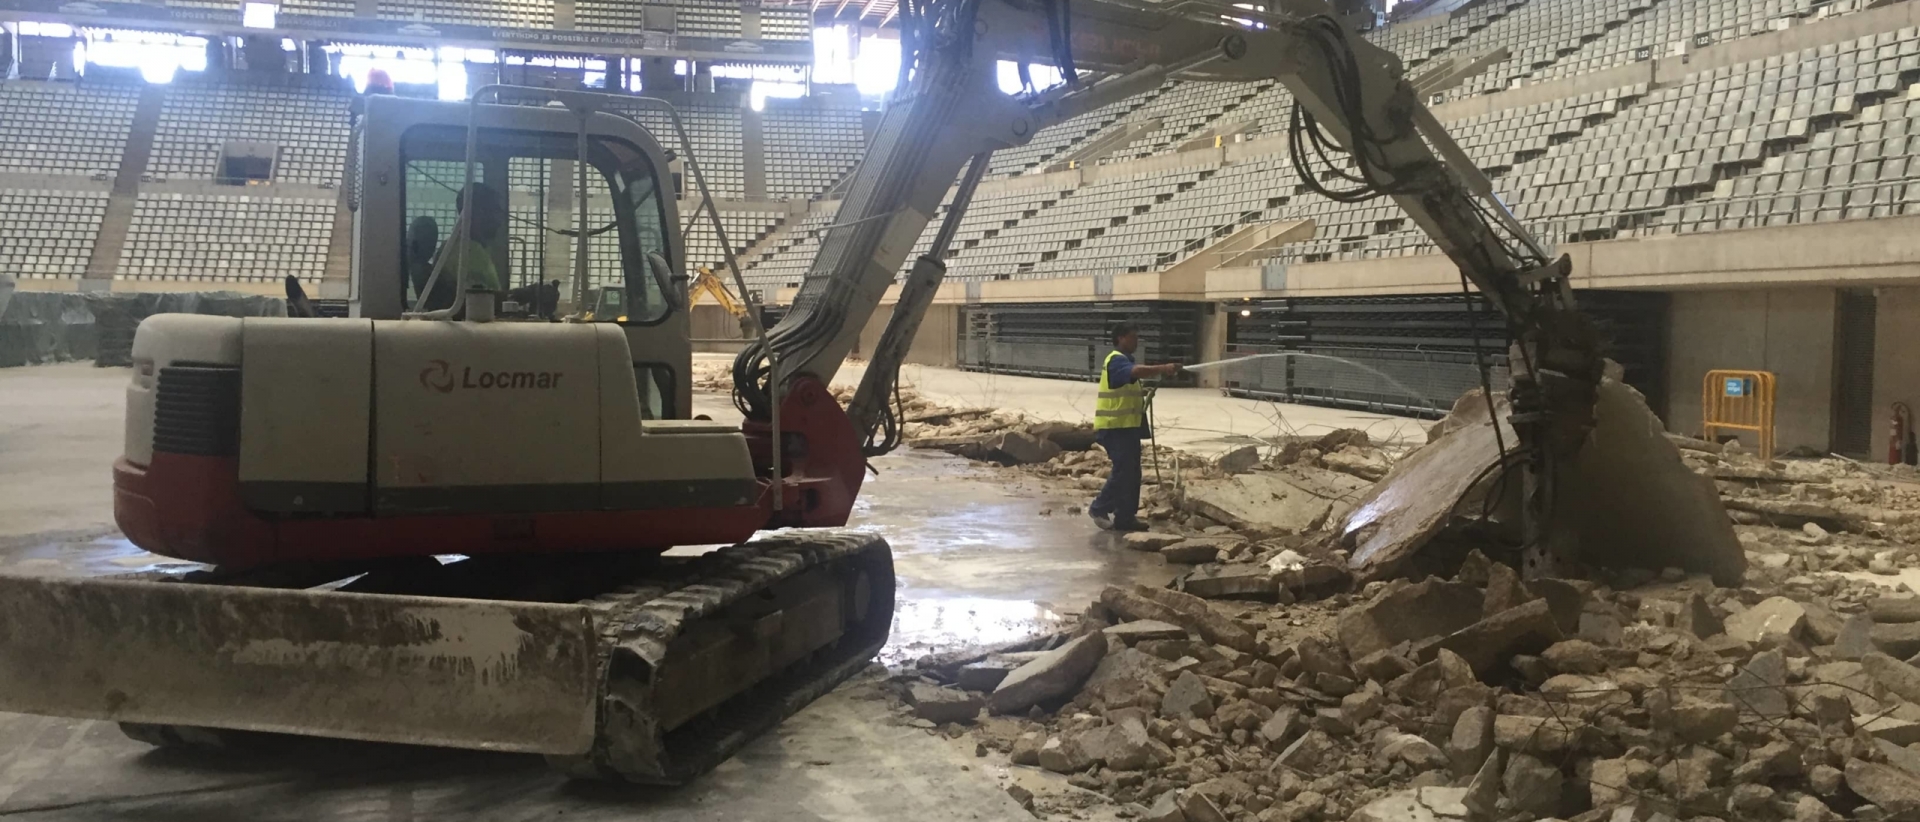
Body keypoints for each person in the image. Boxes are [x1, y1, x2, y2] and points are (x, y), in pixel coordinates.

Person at [1089, 321, 1183, 532]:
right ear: (1120, 338)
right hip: (1114, 428)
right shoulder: (1115, 361)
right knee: (1123, 471)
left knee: (1133, 473)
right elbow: (1137, 371)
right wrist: (1163, 368)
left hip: (1127, 428)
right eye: (1132, 338)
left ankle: (1125, 518)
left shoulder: (1125, 361)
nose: (1136, 342)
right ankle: (1099, 507)